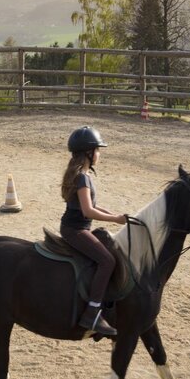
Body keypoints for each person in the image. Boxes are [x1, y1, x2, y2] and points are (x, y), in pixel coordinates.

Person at [60, 126, 128, 337]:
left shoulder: (80, 174)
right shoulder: (83, 178)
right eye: (98, 150)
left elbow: (93, 208)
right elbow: (88, 210)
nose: (99, 154)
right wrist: (115, 219)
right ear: (89, 152)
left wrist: (117, 216)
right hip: (75, 230)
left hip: (75, 226)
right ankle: (92, 313)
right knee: (108, 260)